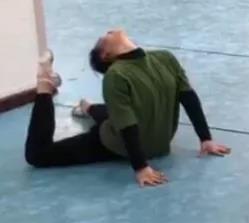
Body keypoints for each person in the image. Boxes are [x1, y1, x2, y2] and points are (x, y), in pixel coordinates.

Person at [25, 30, 231, 187]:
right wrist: (141, 167)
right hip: (147, 142)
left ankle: (51, 88)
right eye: (105, 37)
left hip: (122, 142)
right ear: (106, 55)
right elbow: (128, 123)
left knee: (38, 155)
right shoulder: (157, 61)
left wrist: (206, 139)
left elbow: (189, 98)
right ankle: (72, 99)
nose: (108, 32)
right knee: (117, 112)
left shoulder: (149, 63)